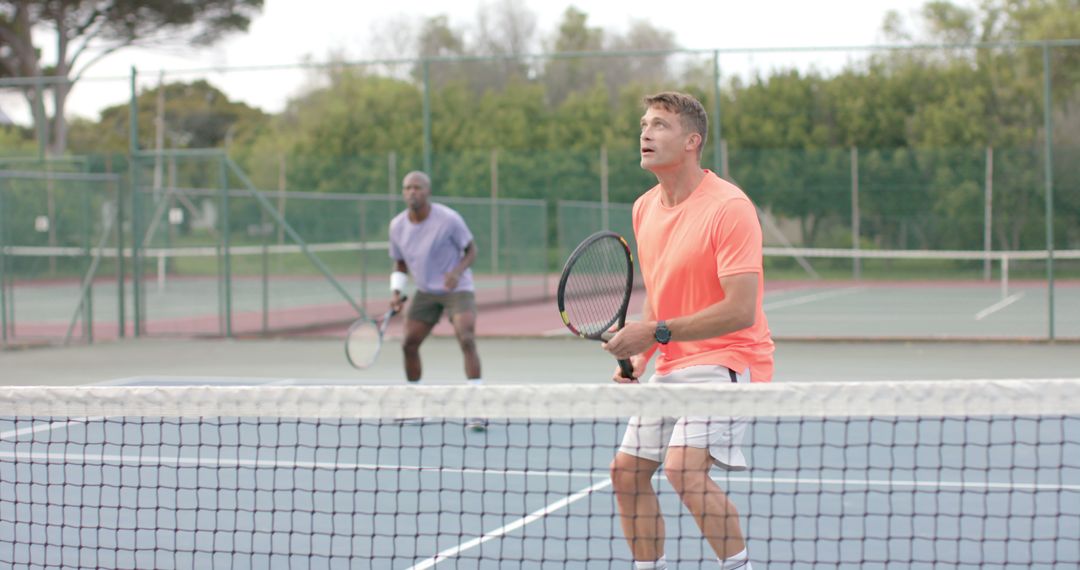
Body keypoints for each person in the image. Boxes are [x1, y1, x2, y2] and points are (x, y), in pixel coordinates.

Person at [602, 91, 775, 569]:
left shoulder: (729, 208)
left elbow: (741, 310)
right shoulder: (644, 208)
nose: (645, 133)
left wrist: (654, 333)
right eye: (643, 124)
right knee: (626, 473)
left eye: (659, 124)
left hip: (730, 360)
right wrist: (642, 356)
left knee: (683, 470)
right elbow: (660, 291)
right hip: (676, 362)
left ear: (692, 142)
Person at [388, 170, 485, 429]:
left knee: (466, 337)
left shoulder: (449, 219)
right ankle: (415, 405)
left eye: (417, 187)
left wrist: (456, 272)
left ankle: (476, 407)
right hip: (425, 290)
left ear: (427, 191)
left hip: (457, 288)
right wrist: (396, 293)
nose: (412, 192)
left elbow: (471, 250)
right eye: (407, 188)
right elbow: (399, 263)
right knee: (409, 344)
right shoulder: (397, 226)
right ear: (403, 192)